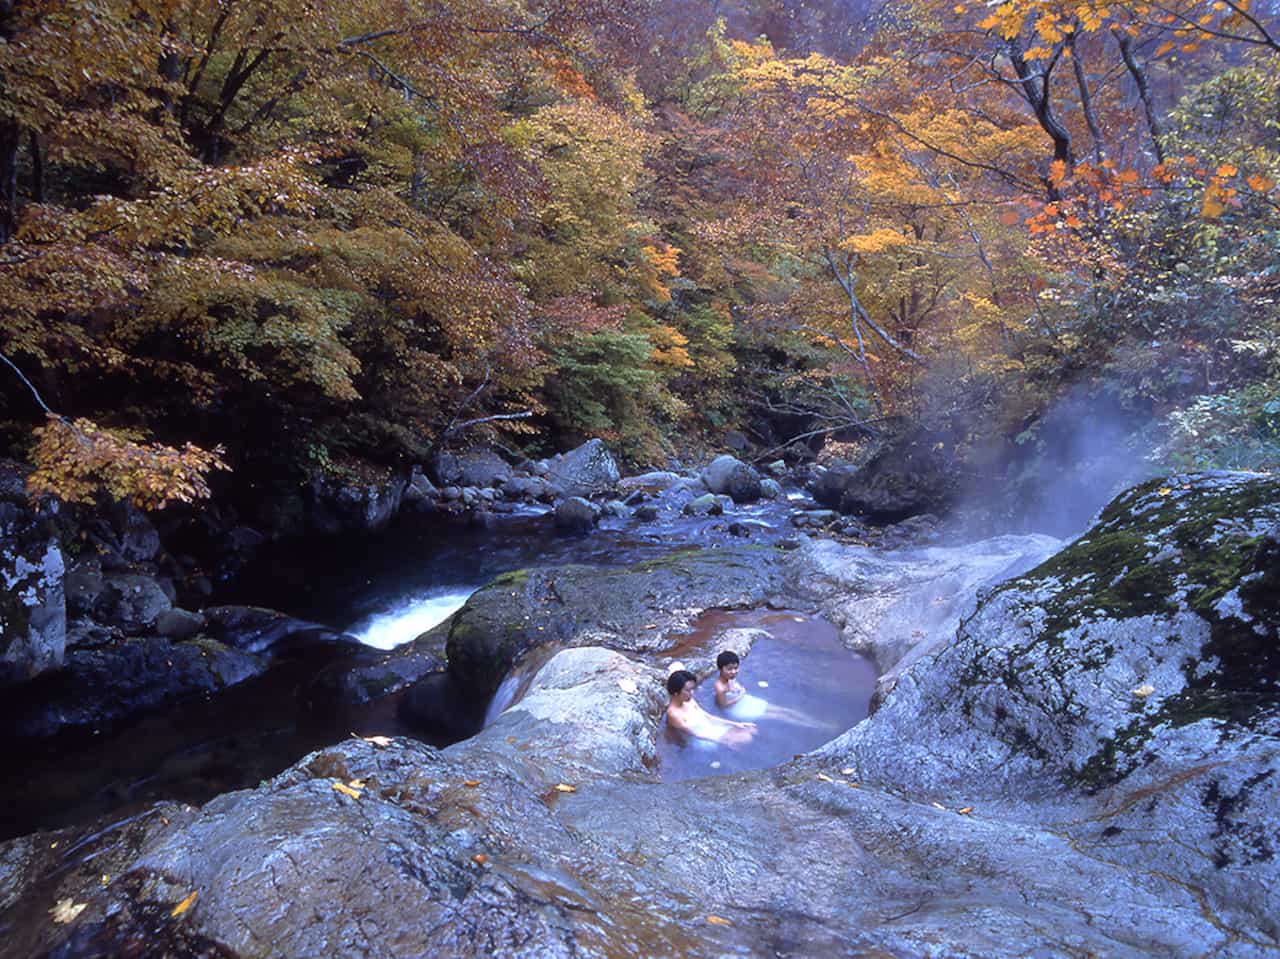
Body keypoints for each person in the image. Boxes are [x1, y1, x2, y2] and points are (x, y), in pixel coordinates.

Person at [713, 650, 825, 727]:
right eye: (729, 669)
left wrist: (740, 691)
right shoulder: (720, 687)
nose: (733, 672)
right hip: (738, 709)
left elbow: (736, 686)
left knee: (783, 710)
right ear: (721, 669)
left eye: (736, 668)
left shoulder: (731, 678)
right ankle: (816, 726)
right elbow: (724, 705)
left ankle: (818, 722)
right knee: (779, 716)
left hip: (747, 700)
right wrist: (740, 695)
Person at [665, 669, 756, 747]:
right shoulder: (673, 714)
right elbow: (694, 734)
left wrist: (735, 724)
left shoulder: (689, 701)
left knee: (751, 730)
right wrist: (724, 741)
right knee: (746, 738)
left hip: (709, 728)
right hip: (703, 739)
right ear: (676, 693)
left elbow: (708, 717)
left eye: (693, 689)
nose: (692, 693)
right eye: (688, 690)